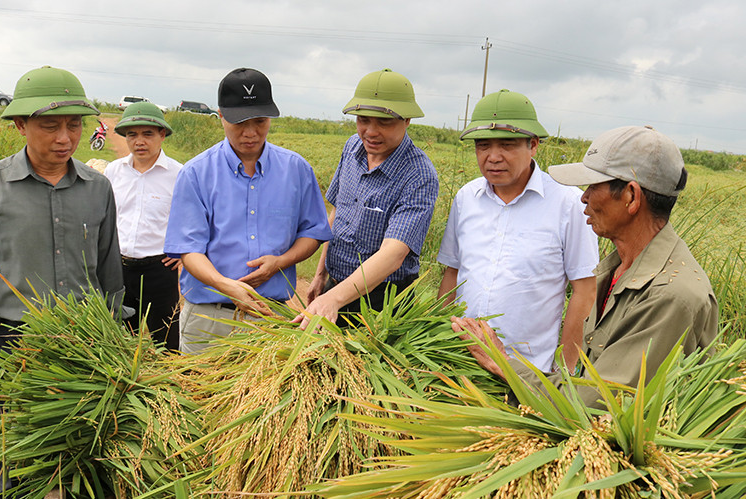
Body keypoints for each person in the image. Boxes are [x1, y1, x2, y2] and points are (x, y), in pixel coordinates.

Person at [0, 65, 125, 498]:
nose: (65, 138)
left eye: (74, 125)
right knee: (18, 461)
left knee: (89, 459)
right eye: (50, 126)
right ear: (20, 125)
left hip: (89, 344)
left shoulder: (98, 188)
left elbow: (109, 274)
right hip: (17, 345)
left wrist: (119, 338)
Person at [454, 125, 718, 407]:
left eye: (594, 186)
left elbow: (597, 402)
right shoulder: (620, 267)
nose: (584, 197)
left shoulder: (670, 295)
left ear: (631, 196)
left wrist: (503, 364)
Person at [164, 67, 332, 353]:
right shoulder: (196, 173)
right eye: (239, 122)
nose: (251, 132)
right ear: (221, 116)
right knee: (199, 396)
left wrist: (280, 262)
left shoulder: (296, 170)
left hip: (269, 316)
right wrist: (224, 284)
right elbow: (188, 249)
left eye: (260, 121)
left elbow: (313, 233)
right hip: (208, 319)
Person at [437, 89, 598, 372]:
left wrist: (567, 373)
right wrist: (435, 340)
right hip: (458, 359)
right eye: (483, 145)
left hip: (527, 372)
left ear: (533, 145)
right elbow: (453, 272)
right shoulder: (466, 198)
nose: (493, 157)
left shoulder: (568, 203)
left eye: (507, 145)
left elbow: (584, 291)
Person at [298, 69, 439, 328]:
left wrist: (333, 298)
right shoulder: (352, 147)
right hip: (336, 288)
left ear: (407, 120)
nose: (371, 132)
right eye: (363, 119)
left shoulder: (418, 175)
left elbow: (393, 254)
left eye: (384, 122)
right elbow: (337, 214)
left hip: (382, 304)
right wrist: (320, 276)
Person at [104, 102, 182, 350]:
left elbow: (192, 219)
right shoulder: (114, 171)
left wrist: (183, 252)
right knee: (121, 342)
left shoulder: (179, 174)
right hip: (120, 269)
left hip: (160, 269)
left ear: (162, 135)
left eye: (148, 134)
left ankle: (170, 386)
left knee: (168, 340)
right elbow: (105, 217)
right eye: (132, 134)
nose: (139, 141)